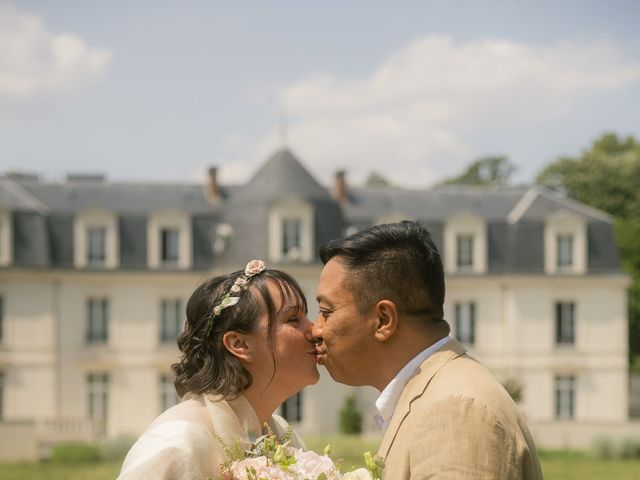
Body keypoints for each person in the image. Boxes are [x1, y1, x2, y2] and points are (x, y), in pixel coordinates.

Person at [313, 221, 543, 479]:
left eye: (325, 312)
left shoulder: (455, 410)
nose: (315, 330)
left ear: (383, 320)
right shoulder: (434, 395)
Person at [118, 260, 319, 479]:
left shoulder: (280, 434)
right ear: (239, 344)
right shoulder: (176, 445)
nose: (315, 330)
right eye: (293, 319)